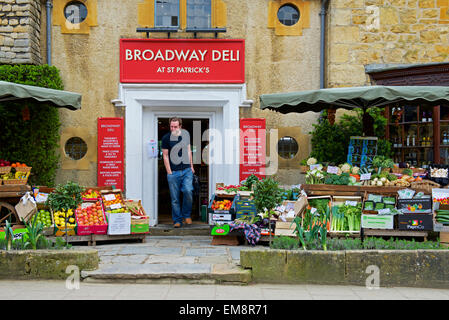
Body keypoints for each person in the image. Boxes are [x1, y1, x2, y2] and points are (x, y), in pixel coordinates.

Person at [161, 117, 195, 228]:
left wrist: (191, 166)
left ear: (180, 126)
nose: (173, 128)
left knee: (188, 191)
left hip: (186, 171)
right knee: (175, 198)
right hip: (173, 172)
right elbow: (165, 156)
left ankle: (186, 215)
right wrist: (169, 172)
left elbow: (189, 151)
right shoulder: (166, 138)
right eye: (171, 126)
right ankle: (177, 220)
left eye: (175, 126)